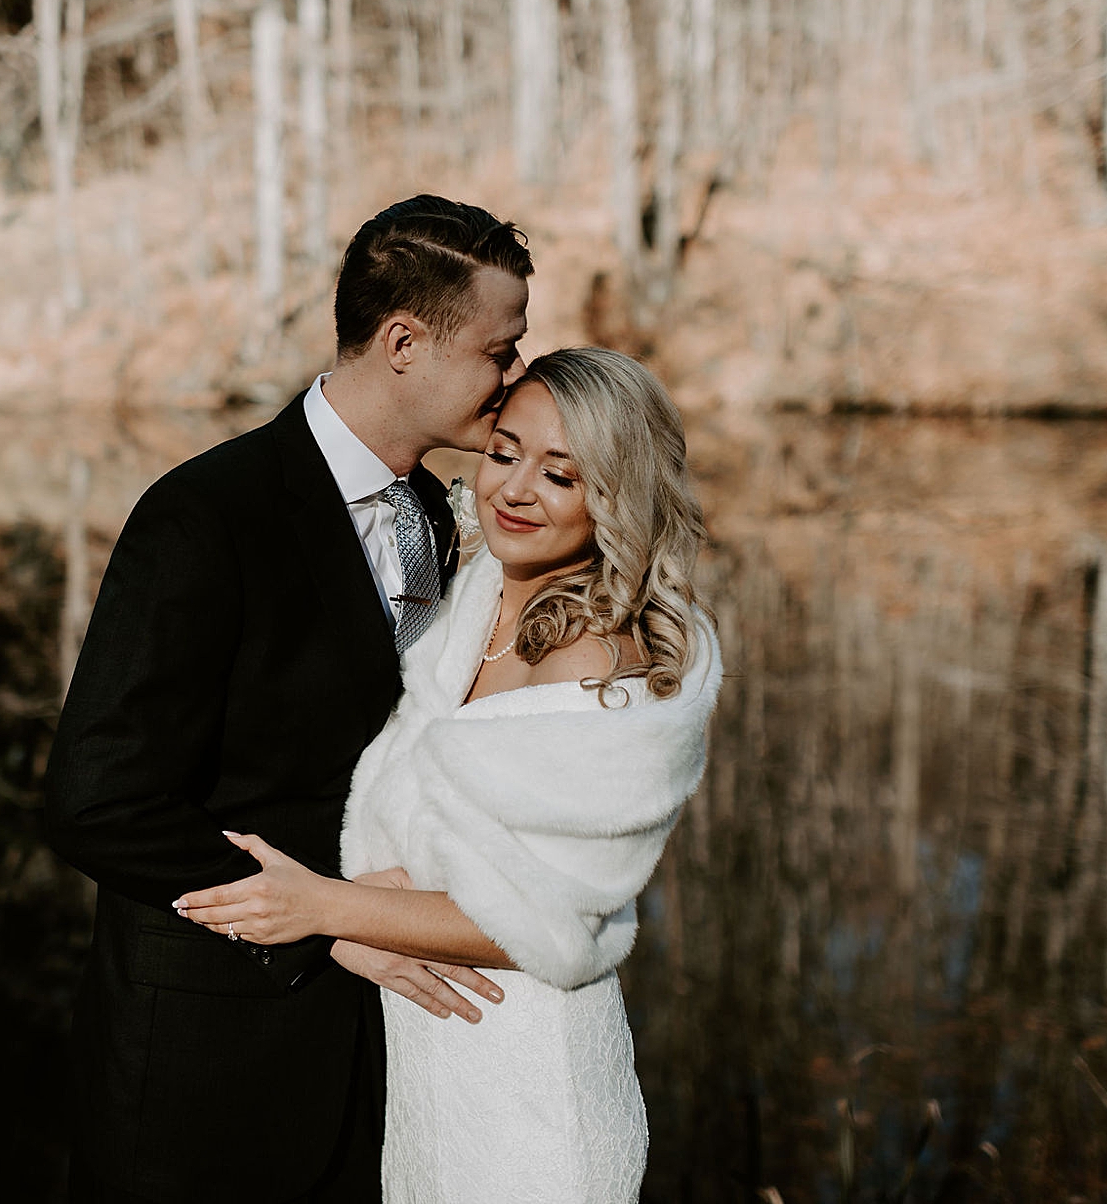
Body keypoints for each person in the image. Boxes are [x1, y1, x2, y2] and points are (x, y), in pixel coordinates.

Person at [42, 195, 534, 1203]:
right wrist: (321, 922)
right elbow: (97, 800)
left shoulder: (434, 521)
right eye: (499, 350)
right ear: (405, 342)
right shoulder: (205, 518)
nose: (513, 377)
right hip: (206, 1076)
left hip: (380, 1070)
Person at [174, 347, 722, 1203]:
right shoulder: (472, 599)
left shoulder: (600, 659)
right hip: (433, 1089)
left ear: (616, 493)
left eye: (561, 474)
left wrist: (323, 906)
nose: (514, 489)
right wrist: (351, 916)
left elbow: (549, 923)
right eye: (505, 453)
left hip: (539, 1102)